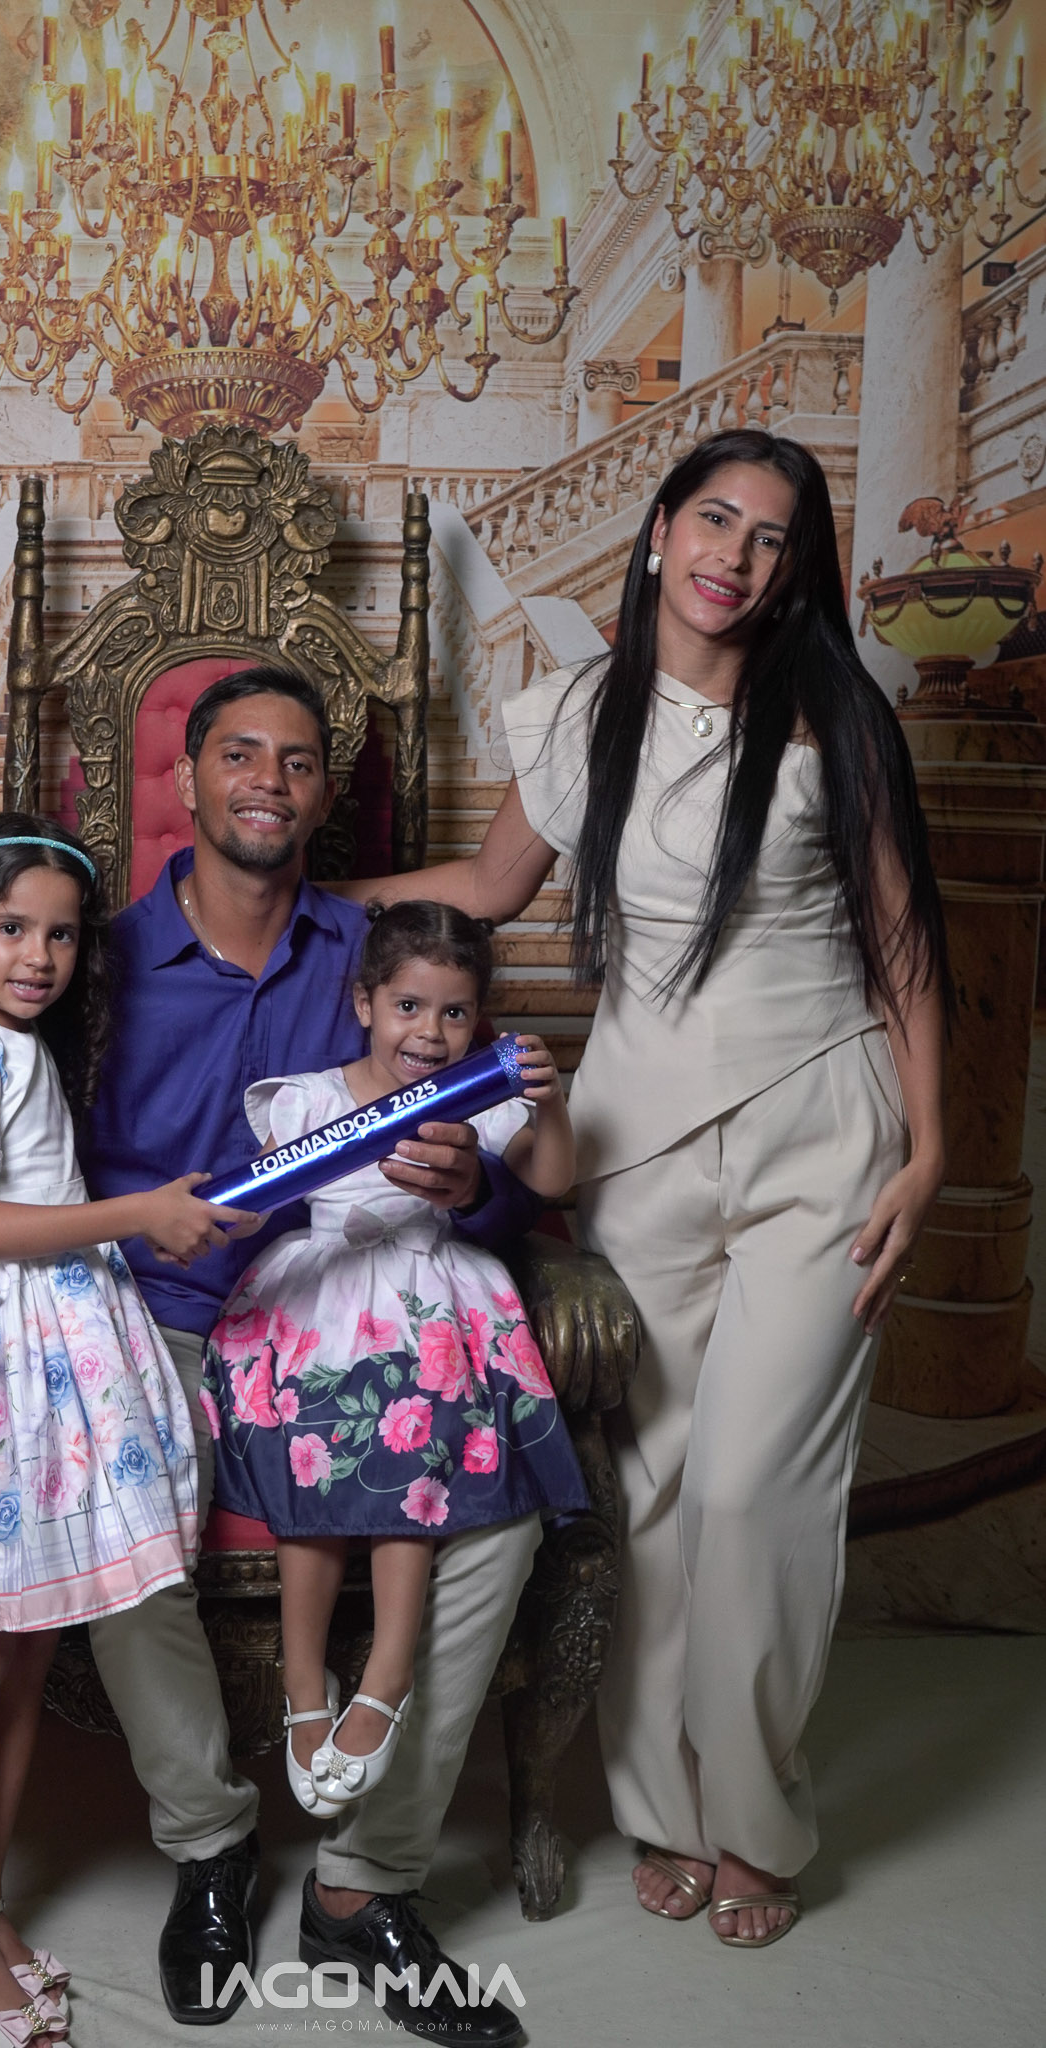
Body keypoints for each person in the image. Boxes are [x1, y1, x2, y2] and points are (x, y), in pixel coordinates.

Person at [0, 669, 538, 2047]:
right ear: (187, 777)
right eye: (239, 753)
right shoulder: (85, 955)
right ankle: (211, 1838)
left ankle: (363, 1877)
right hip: (137, 1316)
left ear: (322, 794)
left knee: (501, 1512)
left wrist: (474, 1182)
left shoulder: (372, 956)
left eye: (297, 760)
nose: (266, 781)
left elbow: (498, 1149)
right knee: (123, 1500)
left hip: (327, 1309)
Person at [348, 430, 949, 1949]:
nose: (734, 556)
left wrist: (932, 1145)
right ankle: (662, 1812)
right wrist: (280, 900)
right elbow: (489, 891)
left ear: (793, 570)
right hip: (640, 1137)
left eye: (770, 536)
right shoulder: (577, 711)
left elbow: (900, 939)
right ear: (662, 528)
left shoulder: (834, 715)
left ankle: (758, 1820)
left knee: (757, 1490)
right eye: (714, 519)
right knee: (659, 1496)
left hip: (824, 1122)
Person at [0, 814, 259, 2047]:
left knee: (29, 1647)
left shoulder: (18, 1044)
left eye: (63, 935)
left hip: (52, 1373)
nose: (38, 955)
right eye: (10, 927)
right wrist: (139, 1212)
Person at [202, 899, 587, 1817]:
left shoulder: (479, 1101)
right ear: (364, 1002)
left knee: (409, 1436)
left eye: (454, 1012)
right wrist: (215, 1217)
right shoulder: (309, 1098)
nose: (429, 1032)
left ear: (478, 1019)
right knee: (311, 1443)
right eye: (408, 1006)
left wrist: (550, 1104)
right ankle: (304, 1684)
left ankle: (386, 1673)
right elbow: (255, 1198)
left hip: (427, 1297)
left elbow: (552, 1180)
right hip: (323, 1291)